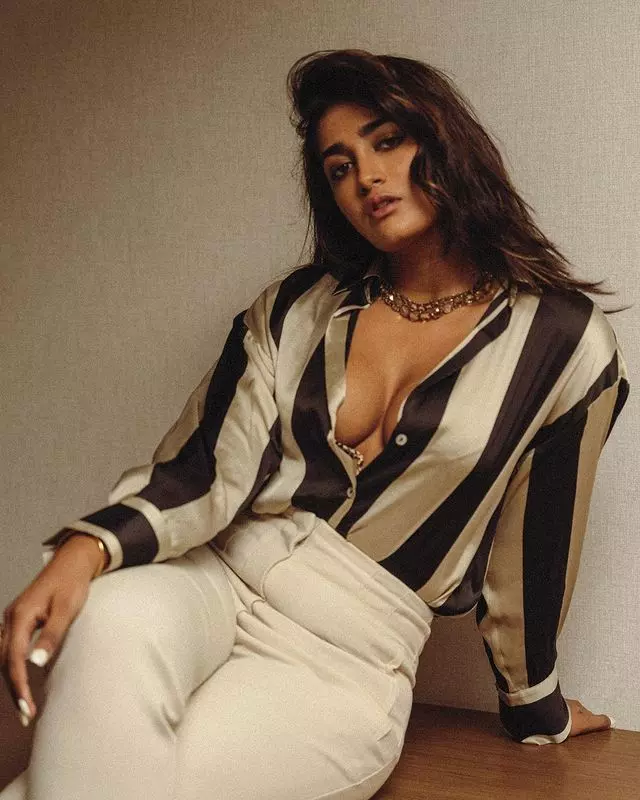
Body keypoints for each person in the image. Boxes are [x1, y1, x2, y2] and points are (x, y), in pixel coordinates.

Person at [0, 49, 630, 800]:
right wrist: (86, 549)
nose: (366, 177)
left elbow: (535, 548)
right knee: (104, 617)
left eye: (387, 141)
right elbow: (204, 470)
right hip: (213, 577)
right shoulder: (295, 307)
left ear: (444, 139)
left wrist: (536, 707)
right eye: (339, 167)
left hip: (344, 654)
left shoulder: (566, 343)